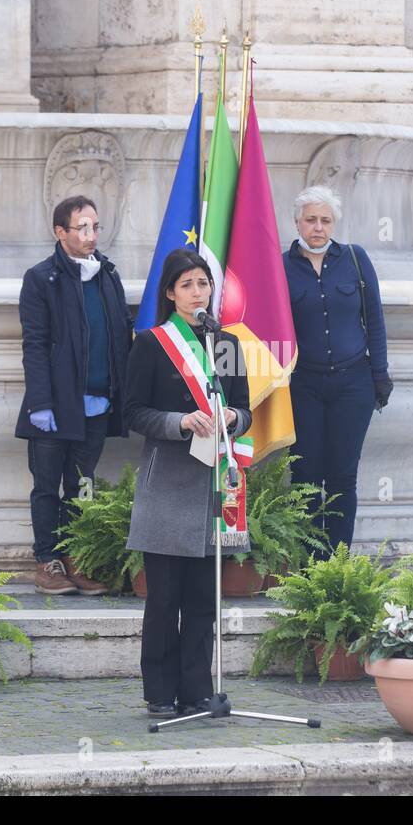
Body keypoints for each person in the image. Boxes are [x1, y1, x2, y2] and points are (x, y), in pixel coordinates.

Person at [123, 249, 252, 717]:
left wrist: (233, 416)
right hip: (168, 484)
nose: (198, 292)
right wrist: (180, 420)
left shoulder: (227, 345)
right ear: (170, 293)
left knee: (203, 597)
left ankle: (197, 690)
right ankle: (159, 692)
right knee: (165, 597)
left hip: (216, 483)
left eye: (203, 283)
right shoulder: (152, 344)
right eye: (188, 285)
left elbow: (245, 410)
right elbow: (133, 412)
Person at [15, 195, 133, 594]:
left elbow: (121, 335)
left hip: (97, 405)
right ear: (60, 232)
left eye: (96, 227)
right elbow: (35, 344)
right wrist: (41, 403)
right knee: (47, 486)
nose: (91, 235)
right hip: (55, 407)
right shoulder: (41, 278)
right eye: (82, 227)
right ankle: (46, 561)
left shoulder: (107, 276)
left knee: (81, 486)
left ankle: (72, 557)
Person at [283, 185, 393, 557]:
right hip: (303, 385)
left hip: (353, 383)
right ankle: (311, 564)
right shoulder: (280, 266)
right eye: (311, 219)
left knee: (343, 475)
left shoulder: (355, 260)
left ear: (334, 223)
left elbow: (374, 320)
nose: (318, 227)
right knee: (306, 475)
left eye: (325, 220)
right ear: (297, 222)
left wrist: (380, 375)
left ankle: (339, 562)